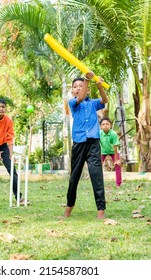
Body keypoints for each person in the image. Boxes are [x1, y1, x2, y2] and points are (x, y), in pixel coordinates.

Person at [64, 71, 108, 219]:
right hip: (79, 143)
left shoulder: (93, 103)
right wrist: (86, 80)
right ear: (72, 91)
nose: (78, 88)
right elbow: (80, 98)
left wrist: (99, 85)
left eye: (81, 86)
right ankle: (68, 209)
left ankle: (101, 211)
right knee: (74, 177)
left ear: (88, 89)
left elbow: (104, 99)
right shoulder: (72, 103)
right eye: (75, 87)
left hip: (93, 143)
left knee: (97, 176)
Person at [100, 117, 122, 187]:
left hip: (113, 151)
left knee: (117, 165)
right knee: (97, 166)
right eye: (103, 124)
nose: (105, 126)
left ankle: (118, 183)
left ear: (110, 125)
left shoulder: (113, 134)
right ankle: (99, 183)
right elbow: (97, 145)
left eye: (107, 124)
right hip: (103, 152)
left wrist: (116, 160)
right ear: (101, 126)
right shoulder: (99, 133)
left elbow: (115, 147)